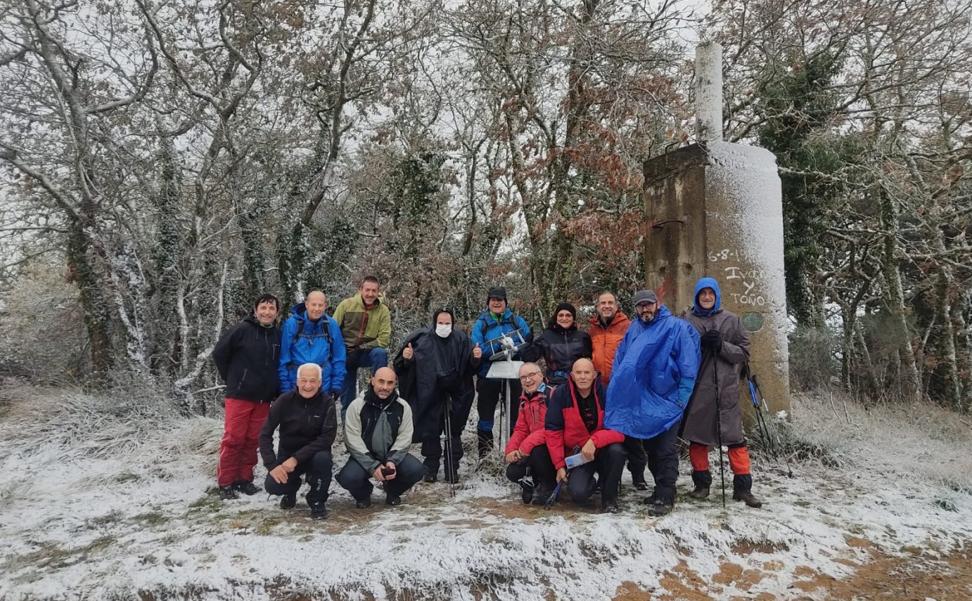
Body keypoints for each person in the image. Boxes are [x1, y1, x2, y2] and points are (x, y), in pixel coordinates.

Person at [606, 289, 700, 516]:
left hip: (668, 401)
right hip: (642, 403)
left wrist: (681, 399)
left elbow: (688, 365)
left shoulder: (676, 327)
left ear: (657, 304)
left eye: (648, 304)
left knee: (666, 449)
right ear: (635, 309)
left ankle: (667, 494)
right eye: (640, 306)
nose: (645, 309)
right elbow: (623, 362)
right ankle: (659, 489)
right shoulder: (634, 329)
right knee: (651, 447)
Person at [681, 277, 762, 508]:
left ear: (716, 296)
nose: (707, 297)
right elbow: (680, 351)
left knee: (735, 439)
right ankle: (701, 484)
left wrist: (721, 346)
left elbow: (744, 353)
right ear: (697, 296)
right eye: (702, 293)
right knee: (697, 439)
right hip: (698, 389)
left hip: (726, 389)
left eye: (711, 293)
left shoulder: (732, 321)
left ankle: (743, 488)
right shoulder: (687, 320)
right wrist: (701, 344)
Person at [393, 308, 481, 483]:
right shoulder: (421, 338)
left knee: (454, 430)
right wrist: (407, 358)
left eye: (447, 323)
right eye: (440, 323)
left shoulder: (461, 339)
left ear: (453, 323)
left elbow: (471, 368)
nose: (444, 326)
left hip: (456, 390)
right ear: (434, 323)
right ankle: (430, 466)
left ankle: (452, 467)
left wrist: (475, 358)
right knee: (430, 429)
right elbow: (401, 366)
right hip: (429, 390)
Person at [212, 294, 282, 500]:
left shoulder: (277, 335)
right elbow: (219, 353)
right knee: (234, 439)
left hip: (263, 398)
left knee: (253, 440)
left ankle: (244, 478)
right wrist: (234, 378)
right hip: (240, 395)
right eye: (263, 307)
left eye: (271, 308)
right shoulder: (242, 330)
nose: (267, 312)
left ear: (277, 312)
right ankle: (226, 481)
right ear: (255, 309)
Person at [545, 358, 627, 513]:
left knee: (618, 450)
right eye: (578, 372)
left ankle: (609, 499)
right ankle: (595, 483)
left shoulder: (607, 392)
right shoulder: (561, 394)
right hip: (579, 455)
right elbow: (553, 431)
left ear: (594, 375)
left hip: (603, 450)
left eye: (587, 372)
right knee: (578, 493)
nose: (583, 377)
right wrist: (559, 465)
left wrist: (594, 441)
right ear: (572, 375)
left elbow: (620, 430)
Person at [337, 367, 426, 507]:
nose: (385, 387)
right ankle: (364, 494)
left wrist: (392, 460)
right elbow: (352, 440)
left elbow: (405, 437)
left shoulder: (403, 407)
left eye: (390, 383)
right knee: (348, 478)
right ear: (372, 380)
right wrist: (373, 465)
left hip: (391, 454)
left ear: (395, 384)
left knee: (416, 470)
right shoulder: (356, 406)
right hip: (365, 456)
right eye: (381, 382)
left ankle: (392, 491)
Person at [258, 363, 337, 519]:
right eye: (304, 380)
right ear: (297, 381)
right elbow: (264, 434)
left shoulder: (327, 403)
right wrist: (272, 465)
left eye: (313, 381)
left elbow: (327, 438)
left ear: (320, 383)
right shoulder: (284, 401)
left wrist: (296, 458)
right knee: (272, 486)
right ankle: (291, 490)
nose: (308, 385)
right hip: (287, 456)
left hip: (315, 455)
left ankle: (317, 500)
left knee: (323, 460)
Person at [586, 291, 645, 491]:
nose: (607, 306)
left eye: (610, 302)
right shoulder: (592, 329)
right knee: (605, 428)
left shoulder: (628, 326)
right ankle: (608, 475)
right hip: (600, 386)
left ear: (616, 305)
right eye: (603, 303)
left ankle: (638, 474)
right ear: (597, 306)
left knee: (630, 432)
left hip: (624, 386)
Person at [470, 286, 533, 457]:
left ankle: (514, 453)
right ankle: (485, 455)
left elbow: (528, 340)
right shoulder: (481, 323)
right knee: (485, 417)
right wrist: (498, 346)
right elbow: (477, 349)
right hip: (488, 374)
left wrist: (517, 348)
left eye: (500, 300)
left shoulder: (516, 320)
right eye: (493, 300)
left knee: (516, 417)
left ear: (506, 302)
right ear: (488, 302)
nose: (496, 303)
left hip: (513, 374)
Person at [333, 276, 392, 417]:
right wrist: (342, 351)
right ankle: (348, 427)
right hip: (345, 354)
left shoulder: (383, 311)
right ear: (360, 290)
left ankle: (376, 393)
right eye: (367, 290)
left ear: (378, 292)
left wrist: (361, 347)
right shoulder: (346, 305)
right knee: (347, 396)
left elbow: (384, 339)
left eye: (374, 290)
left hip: (367, 352)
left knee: (380, 353)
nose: (370, 294)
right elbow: (333, 331)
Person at [278, 290, 346, 399]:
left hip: (324, 384)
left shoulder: (331, 325)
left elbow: (339, 357)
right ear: (306, 304)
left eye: (320, 305)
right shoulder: (291, 324)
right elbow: (283, 358)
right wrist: (285, 387)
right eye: (313, 304)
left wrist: (337, 384)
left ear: (325, 306)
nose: (317, 309)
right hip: (296, 383)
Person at [504, 363, 556, 504]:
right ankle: (532, 484)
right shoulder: (524, 400)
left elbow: (554, 428)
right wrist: (511, 450)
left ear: (541, 375)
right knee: (512, 472)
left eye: (531, 375)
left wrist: (526, 445)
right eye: (523, 377)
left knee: (537, 451)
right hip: (532, 449)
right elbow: (521, 429)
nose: (527, 380)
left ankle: (548, 486)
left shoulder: (552, 394)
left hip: (553, 450)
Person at [526, 302, 592, 387]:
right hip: (555, 383)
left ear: (573, 318)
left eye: (568, 315)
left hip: (579, 382)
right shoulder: (547, 337)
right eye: (561, 315)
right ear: (556, 317)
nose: (564, 318)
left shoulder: (582, 337)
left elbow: (590, 360)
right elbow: (529, 358)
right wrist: (528, 344)